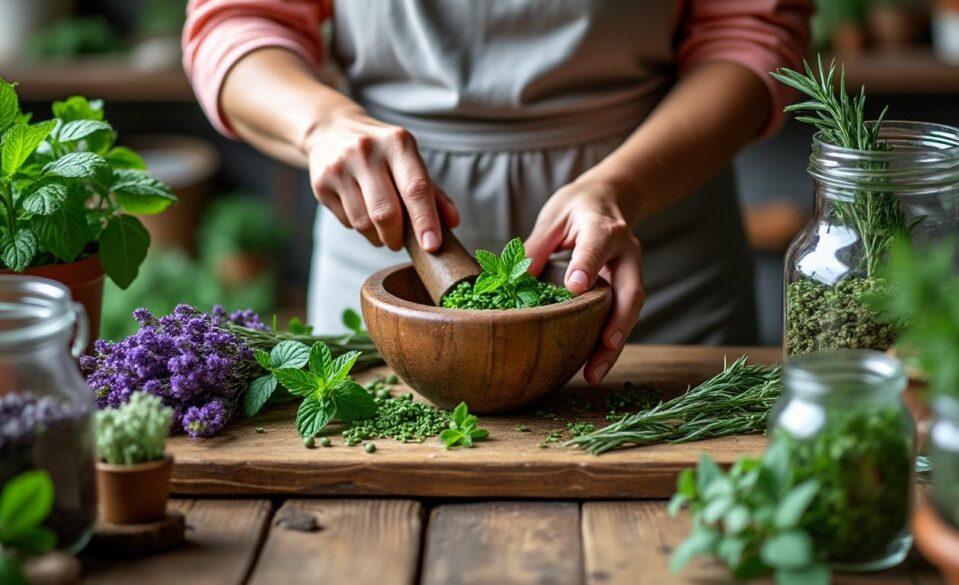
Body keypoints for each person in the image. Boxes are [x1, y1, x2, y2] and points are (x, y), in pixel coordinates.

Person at [183, 0, 812, 384]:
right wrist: (323, 125)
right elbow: (239, 21)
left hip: (652, 253)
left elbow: (750, 31)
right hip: (384, 244)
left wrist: (622, 186)